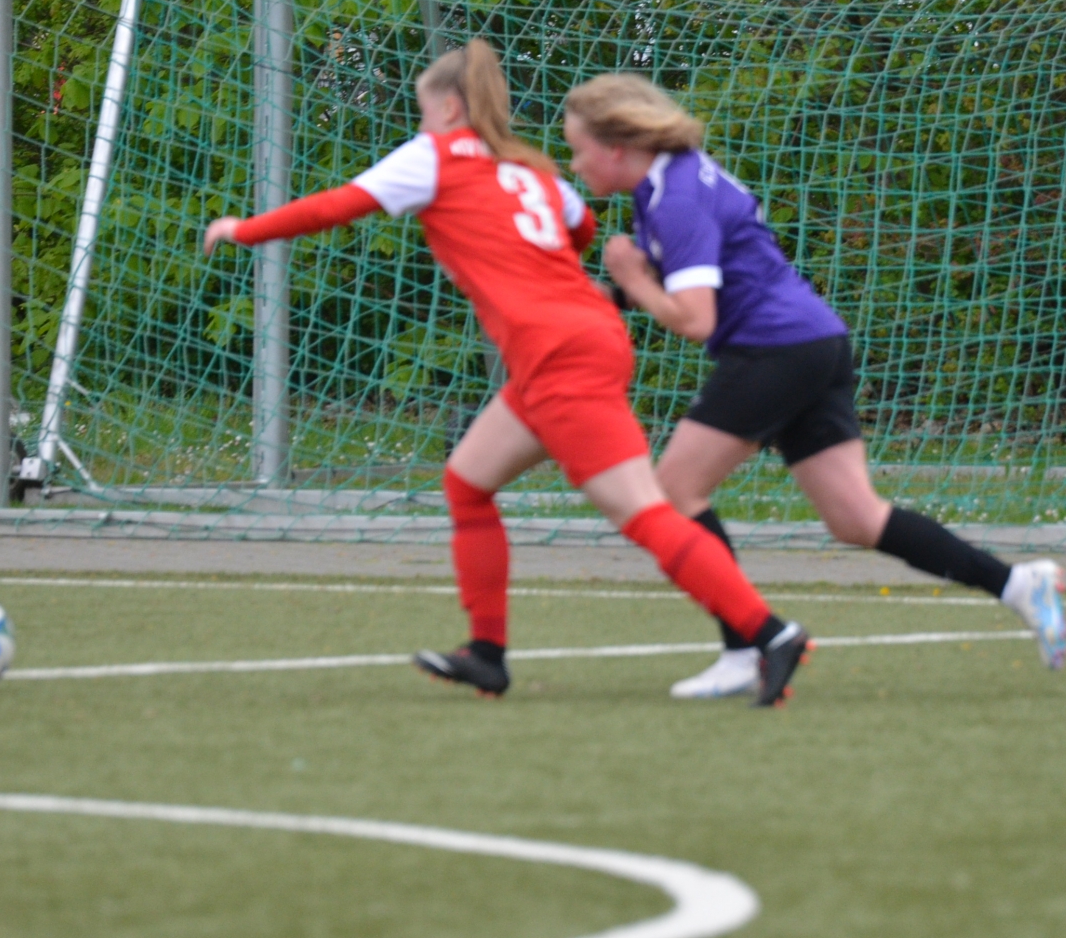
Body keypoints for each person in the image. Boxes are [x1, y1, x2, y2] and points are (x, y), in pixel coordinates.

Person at [205, 41, 812, 706]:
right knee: (468, 481)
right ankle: (487, 653)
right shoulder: (533, 170)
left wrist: (244, 229)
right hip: (578, 339)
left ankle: (770, 633)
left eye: (423, 111)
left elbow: (335, 206)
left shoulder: (433, 155)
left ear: (450, 107)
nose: (421, 124)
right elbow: (578, 230)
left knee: (644, 510)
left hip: (557, 353)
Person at [561, 73, 1066, 699]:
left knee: (675, 491)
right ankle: (1018, 584)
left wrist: (629, 280)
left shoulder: (676, 196)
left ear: (615, 145)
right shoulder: (673, 180)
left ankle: (747, 648)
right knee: (857, 518)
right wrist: (599, 291)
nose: (574, 162)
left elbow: (695, 318)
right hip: (815, 343)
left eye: (579, 147)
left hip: (775, 350)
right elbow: (652, 281)